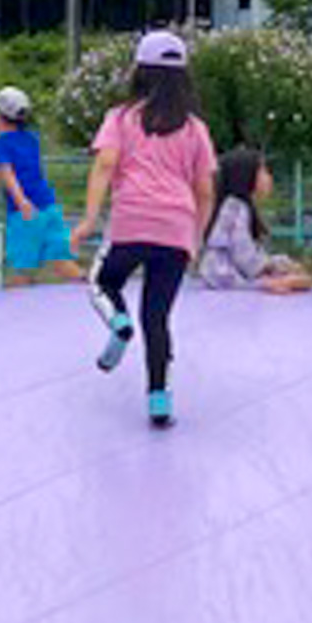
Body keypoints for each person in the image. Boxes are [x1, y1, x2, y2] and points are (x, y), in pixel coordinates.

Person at [71, 31, 215, 429]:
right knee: (158, 318)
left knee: (102, 282)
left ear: (140, 73)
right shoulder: (195, 129)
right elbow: (205, 191)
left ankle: (118, 322)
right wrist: (196, 240)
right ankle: (159, 402)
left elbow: (104, 166)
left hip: (132, 221)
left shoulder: (121, 118)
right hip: (176, 229)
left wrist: (88, 218)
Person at [0, 85, 85, 287]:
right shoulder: (31, 138)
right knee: (63, 262)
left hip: (24, 211)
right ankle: (90, 289)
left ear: (0, 117)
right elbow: (15, 165)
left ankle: (10, 314)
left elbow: (8, 174)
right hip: (48, 206)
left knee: (22, 270)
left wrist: (21, 201)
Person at [202, 147, 312, 294]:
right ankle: (276, 283)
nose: (269, 178)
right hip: (226, 278)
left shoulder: (238, 207)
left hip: (229, 276)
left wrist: (277, 263)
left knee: (299, 278)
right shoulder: (235, 209)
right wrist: (272, 269)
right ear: (246, 176)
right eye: (264, 171)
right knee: (300, 280)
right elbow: (245, 257)